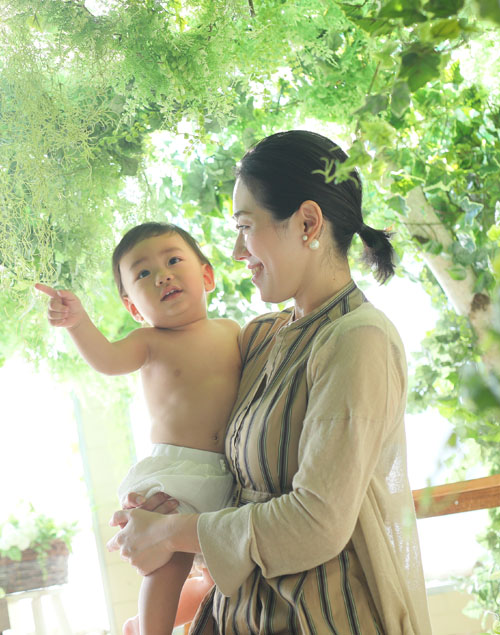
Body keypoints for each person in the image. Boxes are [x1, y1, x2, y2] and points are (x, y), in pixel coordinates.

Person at [107, 130, 432, 634]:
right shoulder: (259, 339)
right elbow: (229, 492)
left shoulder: (358, 339)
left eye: (245, 226)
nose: (237, 250)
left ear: (307, 223)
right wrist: (166, 505)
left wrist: (172, 532)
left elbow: (315, 524)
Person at [35, 222, 242, 635]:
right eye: (143, 273)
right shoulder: (149, 341)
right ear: (133, 308)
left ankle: (135, 626)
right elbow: (107, 360)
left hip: (227, 475)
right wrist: (77, 322)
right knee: (170, 563)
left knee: (216, 576)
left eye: (173, 260)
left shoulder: (233, 331)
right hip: (178, 475)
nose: (162, 275)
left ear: (207, 276)